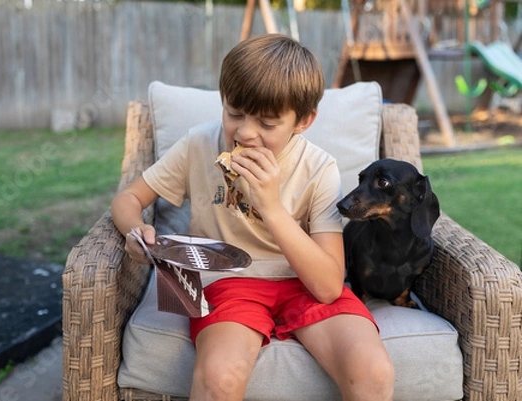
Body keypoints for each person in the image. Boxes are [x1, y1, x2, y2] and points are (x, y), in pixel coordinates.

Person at [111, 34, 394, 401]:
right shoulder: (199, 145)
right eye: (234, 113)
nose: (244, 133)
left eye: (267, 123)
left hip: (304, 282)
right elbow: (129, 198)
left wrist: (271, 207)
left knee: (373, 371)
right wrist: (137, 231)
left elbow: (326, 286)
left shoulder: (319, 168)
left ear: (303, 121)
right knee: (220, 377)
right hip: (227, 281)